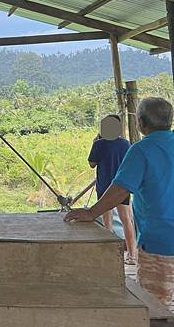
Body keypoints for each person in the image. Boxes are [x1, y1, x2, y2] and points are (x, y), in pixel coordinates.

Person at [66, 97, 174, 307]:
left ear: (140, 123)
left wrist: (91, 213)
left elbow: (121, 188)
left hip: (160, 242)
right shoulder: (129, 145)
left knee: (156, 308)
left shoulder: (141, 150)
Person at [88, 115, 137, 264]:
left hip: (104, 187)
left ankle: (109, 254)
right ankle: (131, 255)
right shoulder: (126, 144)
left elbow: (92, 164)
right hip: (122, 187)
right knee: (126, 220)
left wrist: (94, 143)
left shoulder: (98, 144)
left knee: (106, 221)